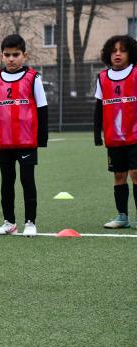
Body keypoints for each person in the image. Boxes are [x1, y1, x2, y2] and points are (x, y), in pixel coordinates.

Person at [0, 34, 48, 237]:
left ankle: (30, 221)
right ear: (1, 56)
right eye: (7, 55)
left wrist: (42, 138)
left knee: (27, 180)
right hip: (4, 142)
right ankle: (9, 222)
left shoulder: (33, 77)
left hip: (27, 141)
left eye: (16, 54)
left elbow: (42, 108)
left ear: (25, 55)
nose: (11, 59)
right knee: (6, 182)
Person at [94, 35, 137, 229]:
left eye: (122, 50)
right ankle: (122, 217)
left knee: (136, 173)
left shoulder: (136, 73)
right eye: (114, 51)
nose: (117, 54)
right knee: (119, 176)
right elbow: (98, 107)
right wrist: (97, 133)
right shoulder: (102, 77)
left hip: (135, 135)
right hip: (114, 137)